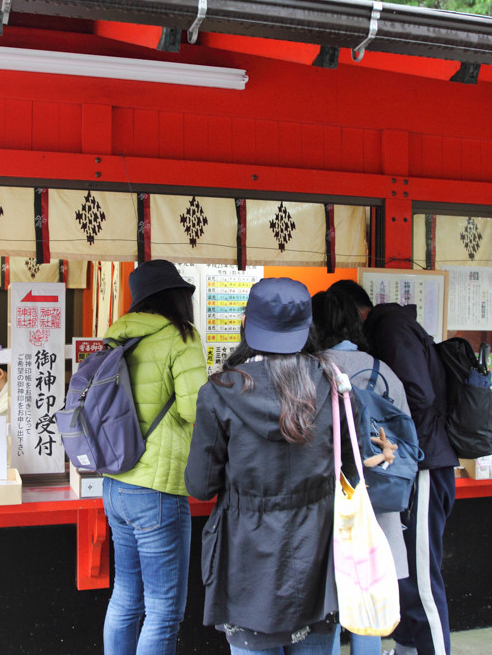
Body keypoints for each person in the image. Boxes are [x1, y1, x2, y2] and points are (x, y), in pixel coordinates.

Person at [186, 277, 355, 655]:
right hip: (320, 559)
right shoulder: (335, 386)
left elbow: (199, 485)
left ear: (246, 324)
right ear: (307, 328)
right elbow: (350, 468)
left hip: (247, 566)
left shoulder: (219, 393)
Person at [328, 280, 456, 655]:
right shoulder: (390, 328)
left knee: (420, 581)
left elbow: (418, 395)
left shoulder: (389, 328)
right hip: (414, 465)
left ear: (353, 312)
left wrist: (381, 427)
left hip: (425, 465)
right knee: (402, 579)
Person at [101, 259, 208, 655]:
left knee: (125, 596)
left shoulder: (118, 336)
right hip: (158, 489)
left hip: (116, 484)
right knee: (164, 609)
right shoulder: (181, 336)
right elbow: (196, 408)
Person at [311, 290, 412, 655]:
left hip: (326, 505)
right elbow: (405, 439)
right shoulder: (384, 373)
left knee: (330, 605)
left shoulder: (311, 369)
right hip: (377, 505)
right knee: (368, 605)